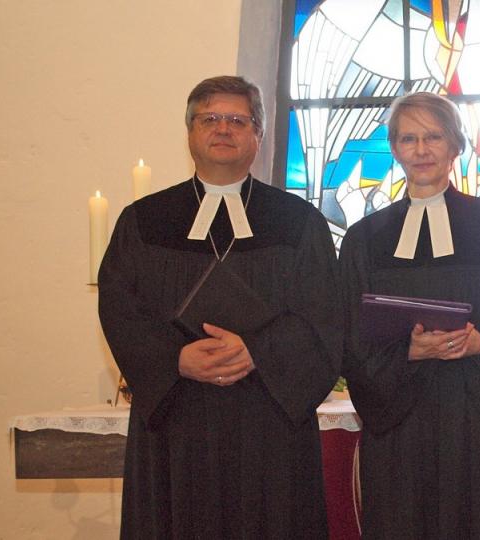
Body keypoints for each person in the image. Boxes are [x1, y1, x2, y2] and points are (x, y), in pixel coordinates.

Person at [98, 75, 342, 539]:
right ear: (190, 132)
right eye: (210, 118)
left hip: (268, 419)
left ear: (258, 136)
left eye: (237, 120)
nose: (223, 129)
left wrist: (260, 351)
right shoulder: (144, 221)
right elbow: (119, 306)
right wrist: (175, 359)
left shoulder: (298, 223)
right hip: (175, 417)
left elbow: (325, 312)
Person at [338, 92, 480, 539]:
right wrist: (407, 351)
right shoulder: (364, 239)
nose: (421, 149)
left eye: (433, 137)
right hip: (400, 428)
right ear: (394, 149)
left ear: (455, 146)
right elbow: (350, 337)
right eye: (409, 138)